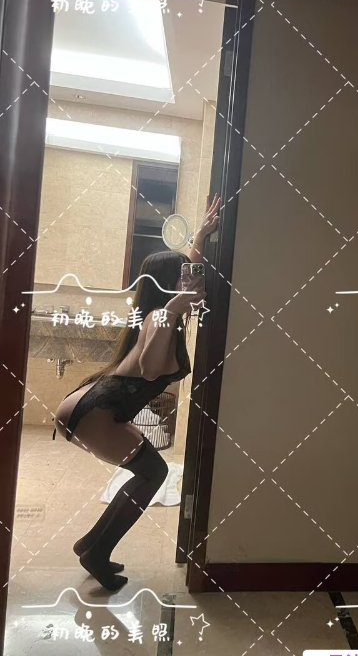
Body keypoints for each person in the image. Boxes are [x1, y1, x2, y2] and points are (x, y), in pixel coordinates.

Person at [53, 195, 220, 590]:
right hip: (95, 412)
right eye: (183, 279)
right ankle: (96, 551)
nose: (191, 284)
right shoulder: (161, 317)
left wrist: (200, 237)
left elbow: (180, 280)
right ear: (167, 287)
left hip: (95, 406)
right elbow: (148, 368)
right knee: (153, 472)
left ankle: (91, 544)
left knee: (149, 472)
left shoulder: (160, 314)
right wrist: (175, 309)